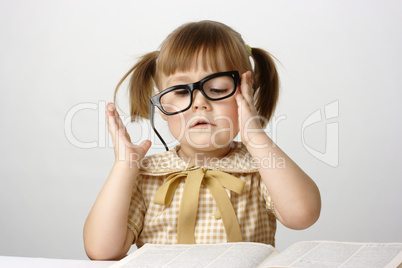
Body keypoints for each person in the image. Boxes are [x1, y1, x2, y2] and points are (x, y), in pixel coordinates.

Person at [83, 20, 321, 260]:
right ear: (162, 104)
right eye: (181, 91)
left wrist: (256, 137)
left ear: (246, 93)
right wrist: (124, 167)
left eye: (217, 89)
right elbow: (101, 252)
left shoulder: (261, 168)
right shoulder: (146, 176)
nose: (199, 102)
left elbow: (303, 215)